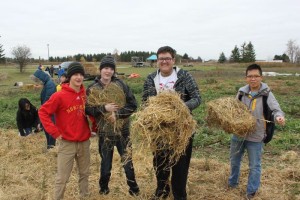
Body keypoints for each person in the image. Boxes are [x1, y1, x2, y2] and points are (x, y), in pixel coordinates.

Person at [142, 46, 201, 200]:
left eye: (167, 58)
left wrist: (180, 107)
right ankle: (162, 190)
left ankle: (179, 195)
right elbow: (145, 101)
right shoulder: (151, 78)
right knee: (160, 163)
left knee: (180, 165)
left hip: (181, 130)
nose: (164, 61)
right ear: (157, 61)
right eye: (161, 58)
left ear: (173, 60)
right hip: (159, 130)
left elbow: (196, 98)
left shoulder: (184, 76)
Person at [228, 64, 285, 200]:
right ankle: (232, 183)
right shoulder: (241, 92)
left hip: (257, 135)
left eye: (256, 76)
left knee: (254, 165)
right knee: (234, 161)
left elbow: (276, 109)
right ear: (246, 78)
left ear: (261, 77)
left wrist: (279, 117)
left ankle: (251, 191)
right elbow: (233, 109)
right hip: (239, 134)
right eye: (250, 76)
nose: (253, 79)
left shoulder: (266, 94)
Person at [85, 55, 140, 196]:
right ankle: (103, 189)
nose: (108, 71)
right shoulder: (92, 88)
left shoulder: (121, 85)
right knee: (106, 165)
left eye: (111, 69)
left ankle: (134, 189)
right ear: (100, 69)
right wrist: (104, 108)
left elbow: (133, 104)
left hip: (123, 132)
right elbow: (87, 108)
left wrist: (118, 114)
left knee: (128, 163)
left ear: (113, 71)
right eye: (105, 68)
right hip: (105, 133)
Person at [38, 62, 91, 200]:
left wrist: (94, 127)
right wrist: (55, 132)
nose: (79, 77)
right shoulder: (59, 96)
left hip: (84, 142)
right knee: (62, 178)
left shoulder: (86, 95)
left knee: (84, 174)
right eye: (75, 74)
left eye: (81, 75)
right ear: (69, 77)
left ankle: (84, 196)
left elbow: (91, 113)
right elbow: (43, 112)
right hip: (67, 143)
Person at [33, 70, 56, 149]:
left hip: (50, 111)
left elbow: (48, 99)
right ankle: (49, 146)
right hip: (47, 110)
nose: (38, 82)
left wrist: (43, 109)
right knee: (47, 129)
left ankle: (51, 147)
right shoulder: (47, 84)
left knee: (50, 129)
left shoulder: (50, 85)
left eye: (38, 80)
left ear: (42, 78)